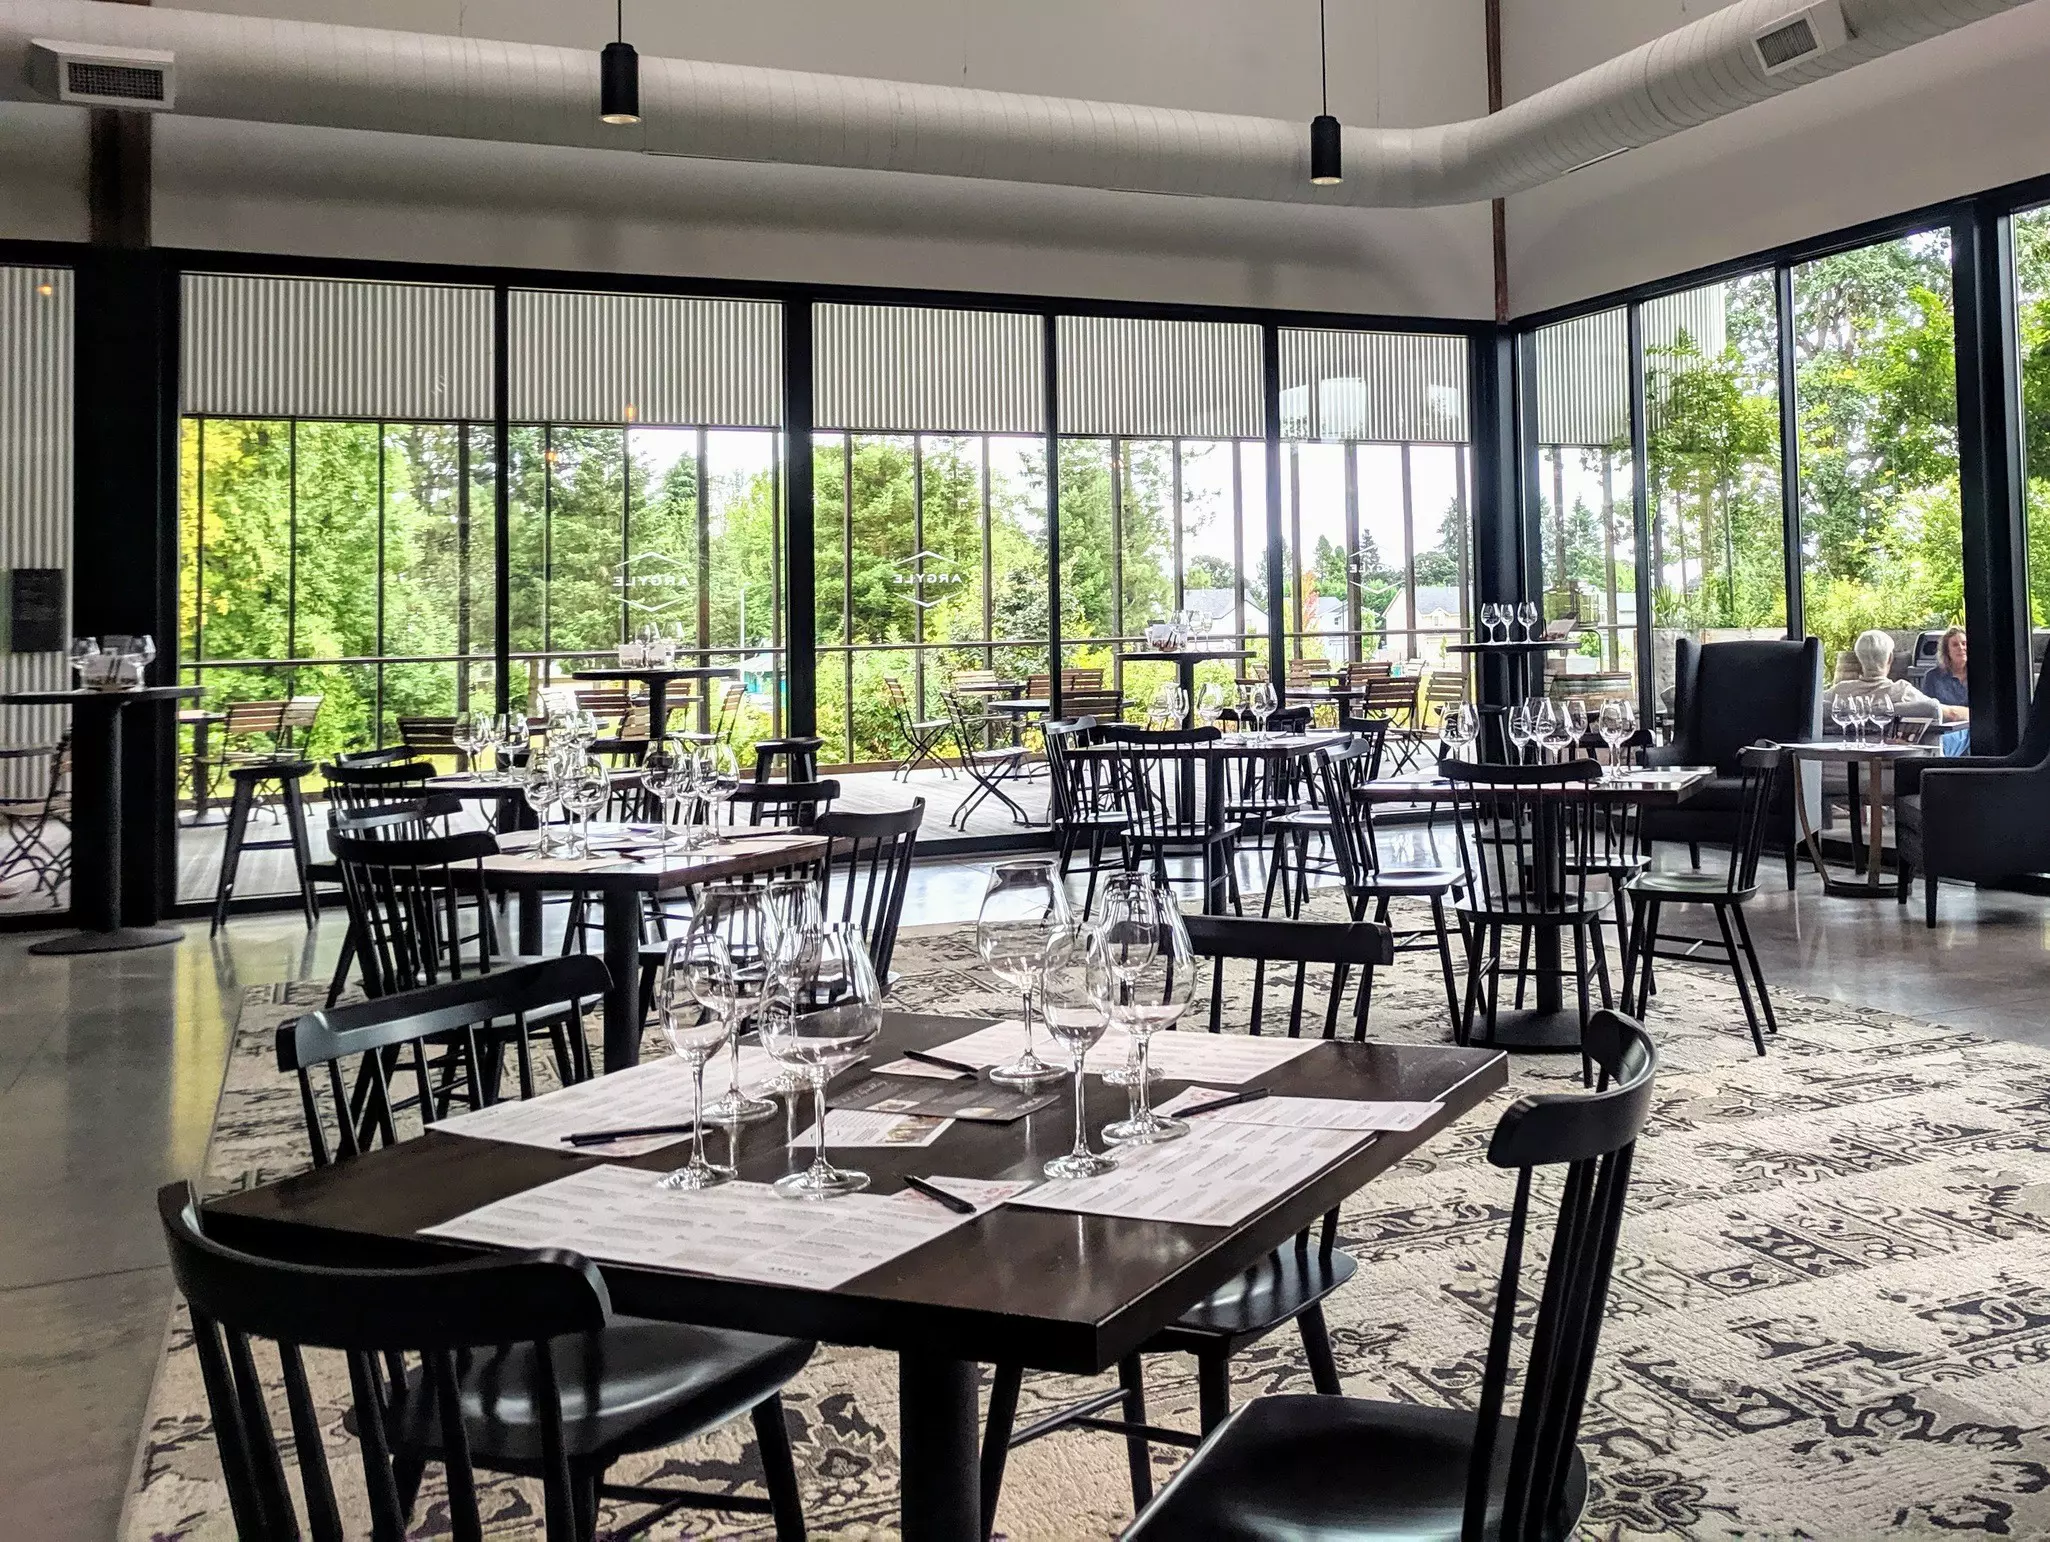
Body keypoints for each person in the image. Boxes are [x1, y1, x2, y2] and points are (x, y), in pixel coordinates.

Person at [1825, 629, 1963, 742]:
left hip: (1842, 769)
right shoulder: (1902, 691)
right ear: (1890, 658)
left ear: (1858, 658)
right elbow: (1947, 713)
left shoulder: (1836, 693)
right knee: (1967, 734)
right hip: (1900, 769)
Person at [1923, 625, 1970, 754]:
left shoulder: (1982, 675)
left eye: (1964, 643)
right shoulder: (1932, 677)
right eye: (1955, 645)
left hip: (1974, 730)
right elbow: (1929, 711)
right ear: (1947, 651)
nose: (1961, 648)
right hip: (1945, 731)